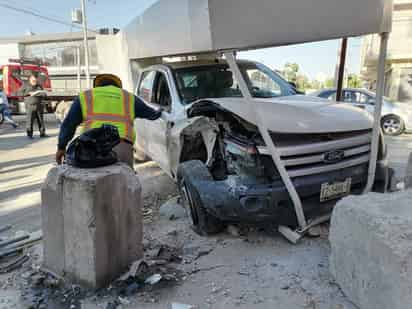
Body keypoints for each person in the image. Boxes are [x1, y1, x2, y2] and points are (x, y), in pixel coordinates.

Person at [56, 74, 163, 167]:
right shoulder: (128, 97)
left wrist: (61, 147)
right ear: (117, 87)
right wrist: (161, 110)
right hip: (122, 145)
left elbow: (69, 124)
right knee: (124, 183)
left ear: (97, 86)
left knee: (94, 184)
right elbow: (152, 114)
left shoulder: (85, 96)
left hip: (90, 148)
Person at [18, 74, 46, 138]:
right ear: (30, 79)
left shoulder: (39, 86)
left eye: (35, 80)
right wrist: (28, 93)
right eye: (33, 80)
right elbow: (19, 93)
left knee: (41, 121)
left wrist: (40, 93)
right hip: (30, 106)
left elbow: (44, 93)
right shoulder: (25, 85)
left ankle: (42, 133)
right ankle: (29, 134)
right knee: (30, 121)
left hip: (39, 106)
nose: (35, 81)